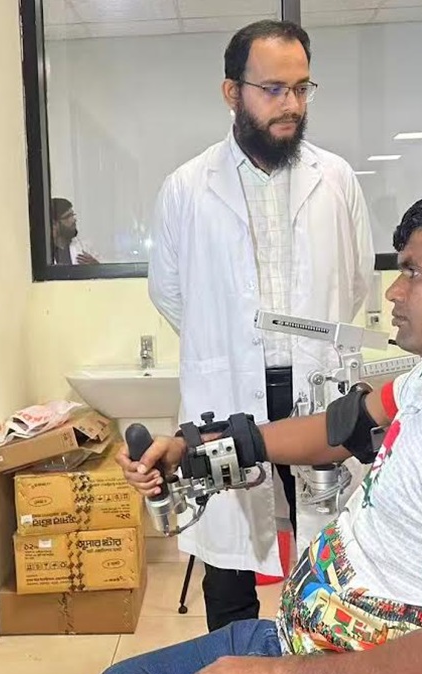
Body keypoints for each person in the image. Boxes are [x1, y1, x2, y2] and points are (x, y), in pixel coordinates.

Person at [101, 183, 422, 674]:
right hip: (304, 645)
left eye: (414, 272)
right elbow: (337, 428)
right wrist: (191, 450)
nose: (394, 292)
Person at [146, 19, 374, 633]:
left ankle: (318, 670)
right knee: (229, 568)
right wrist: (228, 346)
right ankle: (235, 671)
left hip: (315, 393)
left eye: (301, 88)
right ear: (233, 92)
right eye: (273, 89)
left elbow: (355, 282)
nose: (291, 104)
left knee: (327, 557)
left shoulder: (337, 179)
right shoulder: (187, 187)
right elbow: (169, 292)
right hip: (226, 393)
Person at [49, 197, 99, 265]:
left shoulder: (85, 247)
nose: (74, 220)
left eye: (72, 215)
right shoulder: (46, 251)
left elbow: (103, 270)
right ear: (54, 224)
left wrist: (96, 266)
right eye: (68, 216)